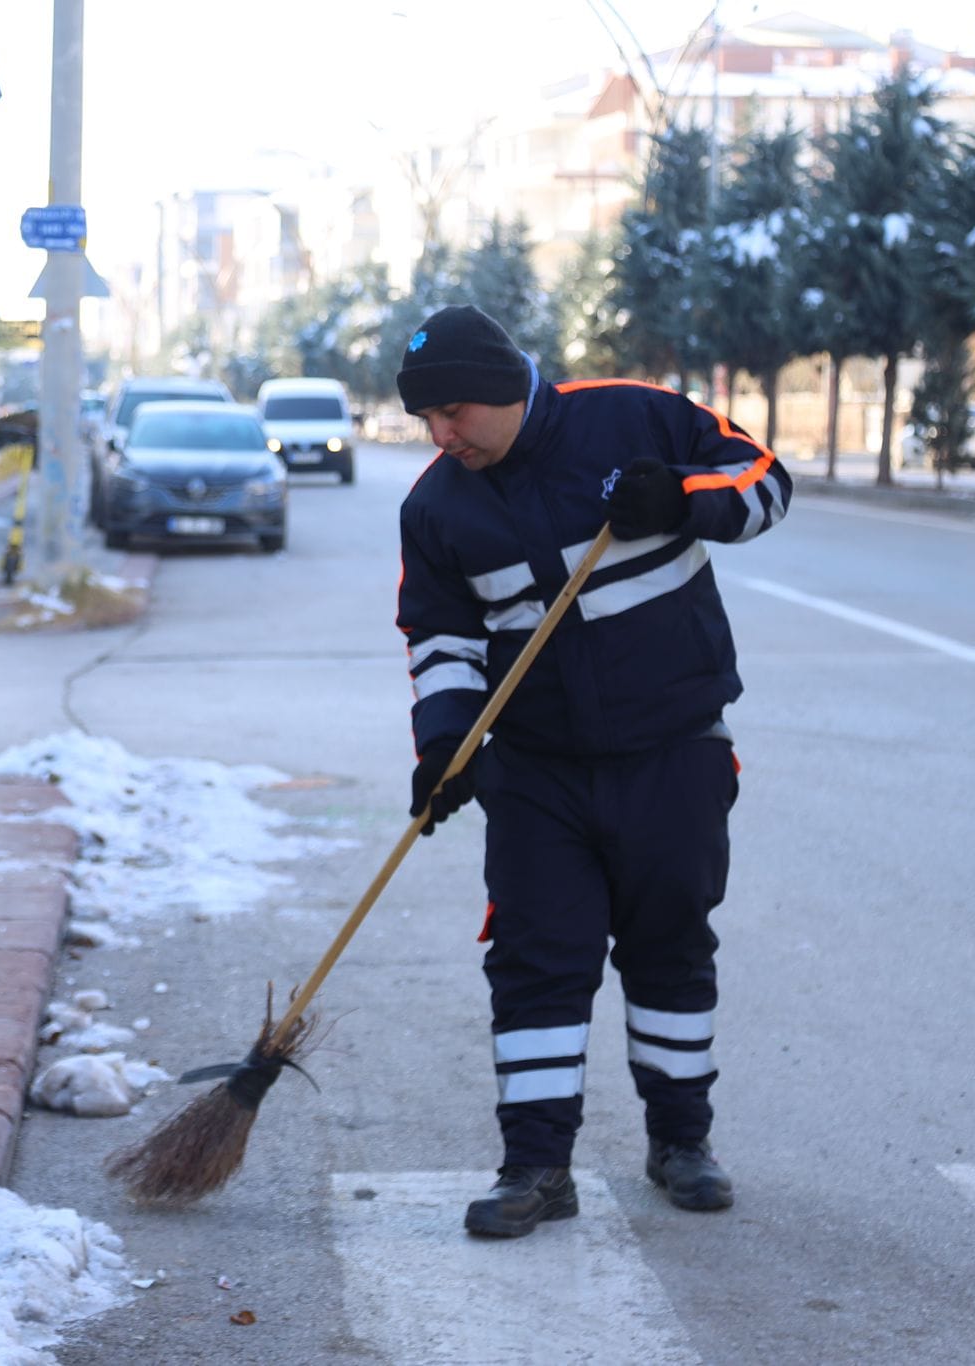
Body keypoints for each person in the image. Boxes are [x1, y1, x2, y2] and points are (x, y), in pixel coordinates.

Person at [393, 304, 791, 1238]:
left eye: (455, 412)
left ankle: (681, 1143)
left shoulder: (632, 416)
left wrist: (683, 500)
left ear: (502, 387)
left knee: (670, 949)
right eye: (428, 420)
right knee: (535, 964)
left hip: (675, 750)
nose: (443, 436)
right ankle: (535, 1167)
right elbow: (441, 638)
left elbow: (769, 483)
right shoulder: (438, 506)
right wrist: (446, 744)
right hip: (537, 773)